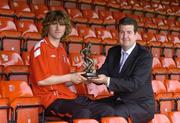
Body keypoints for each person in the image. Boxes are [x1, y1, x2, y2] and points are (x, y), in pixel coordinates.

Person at [29, 10, 114, 122]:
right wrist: (70, 77)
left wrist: (82, 76)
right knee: (83, 112)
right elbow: (42, 80)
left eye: (62, 24)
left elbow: (65, 81)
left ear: (66, 28)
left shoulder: (61, 50)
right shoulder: (40, 48)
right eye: (54, 23)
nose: (58, 28)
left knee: (107, 110)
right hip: (50, 99)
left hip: (68, 96)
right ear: (47, 26)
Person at [91, 17, 155, 123]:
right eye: (122, 32)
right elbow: (103, 72)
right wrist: (91, 73)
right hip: (119, 101)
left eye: (129, 32)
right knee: (92, 105)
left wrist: (107, 80)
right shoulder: (113, 51)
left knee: (110, 113)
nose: (125, 36)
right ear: (118, 34)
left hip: (141, 105)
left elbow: (134, 83)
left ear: (136, 35)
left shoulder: (144, 56)